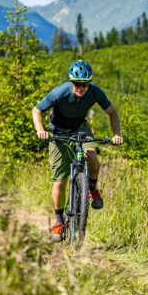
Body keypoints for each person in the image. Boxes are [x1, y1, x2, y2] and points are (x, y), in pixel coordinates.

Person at [32, 60, 123, 241]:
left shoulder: (96, 92)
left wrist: (116, 134)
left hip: (80, 129)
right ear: (71, 81)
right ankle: (58, 223)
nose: (80, 88)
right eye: (76, 83)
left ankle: (92, 188)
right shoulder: (60, 92)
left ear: (89, 82)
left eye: (84, 84)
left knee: (91, 154)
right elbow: (37, 110)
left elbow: (112, 112)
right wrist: (41, 131)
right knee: (60, 181)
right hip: (58, 133)